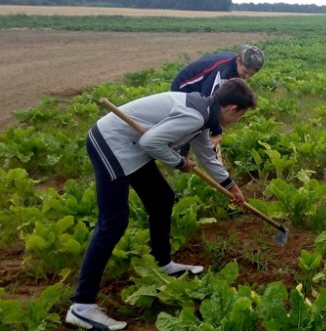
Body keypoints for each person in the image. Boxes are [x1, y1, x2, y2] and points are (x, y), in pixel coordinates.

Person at [65, 78, 257, 330]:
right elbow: (151, 143)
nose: (236, 121)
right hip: (110, 143)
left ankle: (163, 264)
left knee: (162, 198)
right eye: (240, 116)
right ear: (232, 109)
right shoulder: (195, 116)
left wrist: (232, 187)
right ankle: (82, 307)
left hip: (131, 147)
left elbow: (206, 155)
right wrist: (179, 162)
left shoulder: (205, 113)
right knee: (113, 221)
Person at [171, 44, 264, 151]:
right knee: (193, 123)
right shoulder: (222, 70)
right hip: (184, 87)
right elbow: (209, 102)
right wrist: (216, 132)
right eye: (245, 72)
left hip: (199, 88)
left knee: (204, 121)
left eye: (251, 75)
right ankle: (180, 156)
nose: (246, 77)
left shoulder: (234, 67)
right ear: (238, 60)